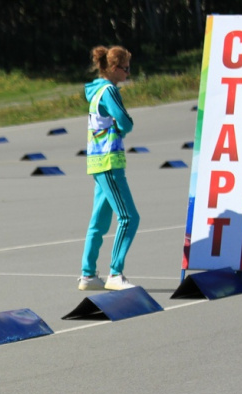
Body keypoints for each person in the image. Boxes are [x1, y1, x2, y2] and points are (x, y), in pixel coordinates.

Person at [78, 46, 140, 291]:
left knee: (99, 221)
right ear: (114, 69)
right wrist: (125, 127)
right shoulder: (110, 90)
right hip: (109, 161)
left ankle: (88, 274)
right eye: (125, 68)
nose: (128, 73)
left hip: (96, 161)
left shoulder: (95, 90)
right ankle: (115, 273)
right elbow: (124, 120)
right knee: (129, 217)